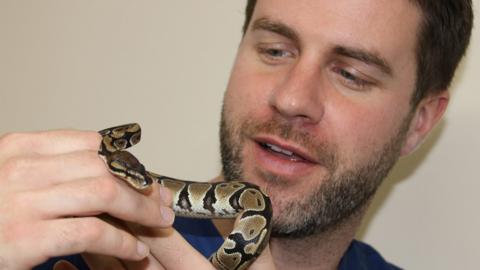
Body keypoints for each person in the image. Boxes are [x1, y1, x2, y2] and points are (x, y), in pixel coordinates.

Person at [0, 0, 473, 269]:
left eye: (351, 74)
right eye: (274, 49)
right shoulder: (67, 246)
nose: (291, 99)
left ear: (421, 121)